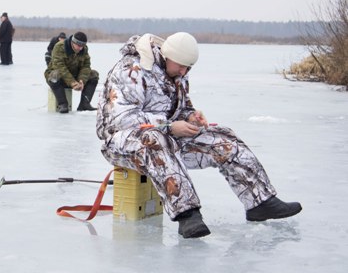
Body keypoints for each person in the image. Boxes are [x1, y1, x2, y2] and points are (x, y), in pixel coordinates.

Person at [96, 32, 302, 239]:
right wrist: (168, 126)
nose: (184, 71)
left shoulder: (178, 73)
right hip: (121, 141)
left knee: (222, 137)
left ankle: (260, 201)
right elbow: (121, 119)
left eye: (188, 68)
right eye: (181, 66)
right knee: (156, 140)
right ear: (167, 56)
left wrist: (191, 117)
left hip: (166, 137)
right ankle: (187, 215)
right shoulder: (131, 70)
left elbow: (180, 110)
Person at [44, 32, 99, 113]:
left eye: (82, 46)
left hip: (74, 75)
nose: (80, 48)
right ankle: (63, 104)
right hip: (58, 77)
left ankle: (84, 104)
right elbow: (60, 67)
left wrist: (81, 81)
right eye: (79, 45)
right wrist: (72, 82)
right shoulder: (59, 47)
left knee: (94, 74)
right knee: (55, 75)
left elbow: (86, 66)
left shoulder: (84, 49)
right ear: (73, 42)